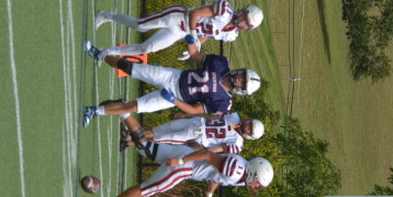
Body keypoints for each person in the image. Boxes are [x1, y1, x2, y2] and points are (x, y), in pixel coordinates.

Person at [82, 40, 261, 127]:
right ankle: (100, 55)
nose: (240, 79)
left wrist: (173, 100)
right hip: (173, 76)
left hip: (176, 96)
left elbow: (193, 111)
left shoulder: (224, 102)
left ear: (242, 90)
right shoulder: (221, 64)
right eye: (243, 76)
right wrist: (190, 41)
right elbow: (196, 56)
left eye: (243, 83)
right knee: (129, 67)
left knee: (133, 107)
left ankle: (94, 111)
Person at [99, 149, 274, 197]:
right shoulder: (237, 169)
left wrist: (209, 195)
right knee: (149, 189)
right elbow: (207, 155)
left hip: (188, 164)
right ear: (254, 173)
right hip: (187, 167)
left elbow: (217, 177)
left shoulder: (242, 173)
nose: (256, 187)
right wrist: (180, 161)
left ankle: (128, 131)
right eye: (258, 182)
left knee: (149, 149)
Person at [92, 0, 263, 62]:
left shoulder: (231, 35)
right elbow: (195, 14)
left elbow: (209, 34)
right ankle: (105, 16)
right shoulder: (225, 10)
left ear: (248, 28)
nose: (241, 19)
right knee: (139, 25)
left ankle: (107, 52)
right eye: (244, 14)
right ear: (243, 9)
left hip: (181, 32)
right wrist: (194, 35)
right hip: (177, 17)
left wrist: (197, 45)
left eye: (246, 21)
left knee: (146, 49)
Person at [118, 111, 265, 164]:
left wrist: (198, 152)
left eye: (250, 128)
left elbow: (215, 150)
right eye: (250, 123)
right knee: (158, 130)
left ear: (250, 135)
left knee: (160, 138)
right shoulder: (235, 116)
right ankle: (129, 136)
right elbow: (211, 117)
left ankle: (129, 142)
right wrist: (188, 115)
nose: (247, 126)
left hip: (196, 135)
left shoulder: (237, 144)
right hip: (196, 122)